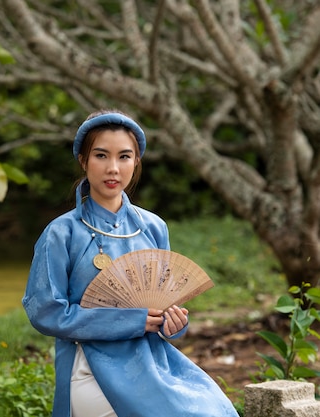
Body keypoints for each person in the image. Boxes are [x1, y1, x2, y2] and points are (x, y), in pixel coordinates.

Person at [22, 110, 239, 417]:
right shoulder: (61, 233)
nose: (113, 168)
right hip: (89, 364)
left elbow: (163, 306)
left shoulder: (152, 227)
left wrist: (173, 324)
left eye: (124, 156)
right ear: (83, 161)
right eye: (101, 155)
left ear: (136, 161)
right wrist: (129, 321)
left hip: (152, 360)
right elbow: (45, 311)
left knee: (213, 410)